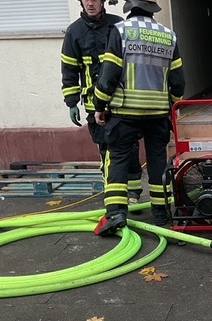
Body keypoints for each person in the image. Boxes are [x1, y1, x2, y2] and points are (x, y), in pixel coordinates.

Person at [92, 0, 184, 235]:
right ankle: (162, 213)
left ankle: (115, 214)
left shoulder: (120, 31)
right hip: (157, 113)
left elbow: (109, 75)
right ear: (152, 10)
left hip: (125, 112)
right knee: (157, 162)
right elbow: (178, 82)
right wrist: (173, 106)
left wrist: (99, 105)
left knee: (119, 159)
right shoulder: (168, 36)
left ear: (129, 9)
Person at [61, 0, 144, 203]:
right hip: (94, 104)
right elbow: (69, 69)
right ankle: (114, 194)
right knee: (106, 149)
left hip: (122, 102)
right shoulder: (74, 32)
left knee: (130, 147)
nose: (90, 3)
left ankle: (133, 192)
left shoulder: (118, 25)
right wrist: (71, 102)